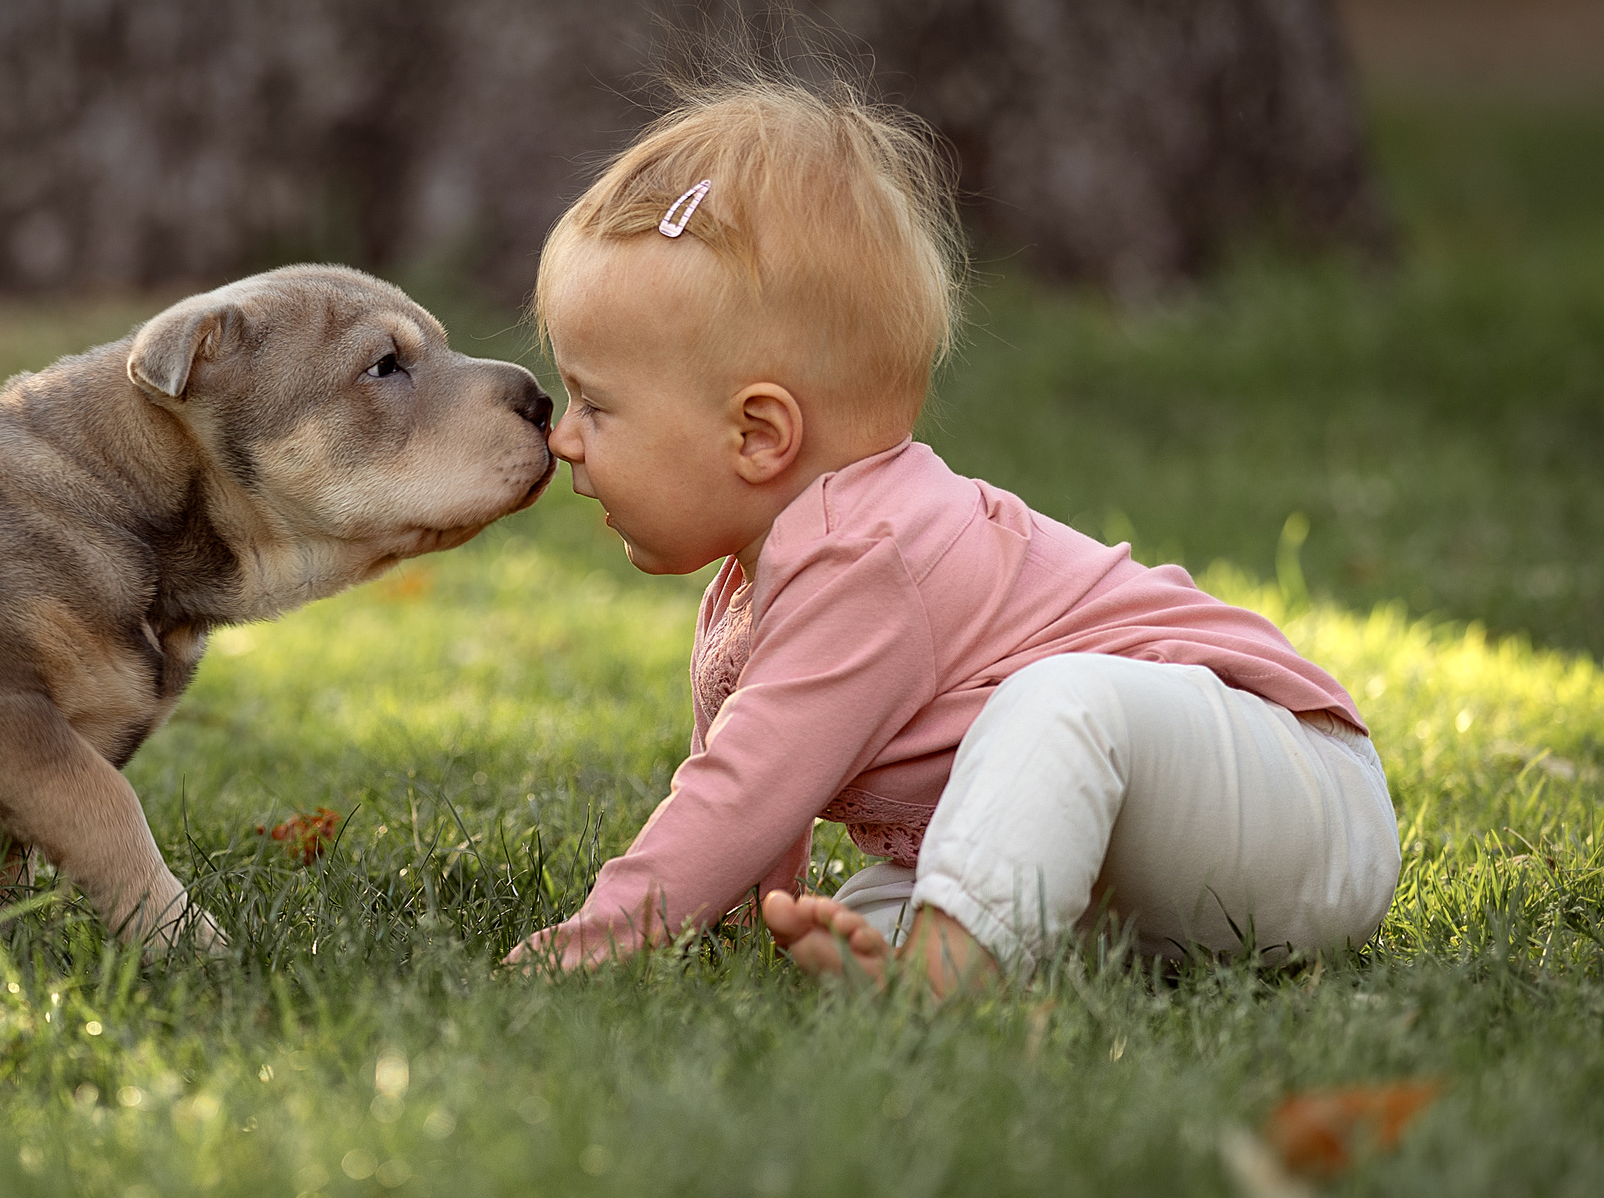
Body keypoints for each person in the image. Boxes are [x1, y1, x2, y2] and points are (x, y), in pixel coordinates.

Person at [507, 77, 1400, 993]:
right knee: (860, 911)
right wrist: (734, 926)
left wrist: (589, 946)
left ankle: (944, 976)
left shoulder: (867, 557)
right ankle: (917, 959)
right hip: (1141, 874)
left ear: (760, 435)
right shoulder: (755, 586)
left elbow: (739, 790)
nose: (563, 434)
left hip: (1297, 799)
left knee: (1059, 701)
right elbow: (756, 801)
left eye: (596, 403)